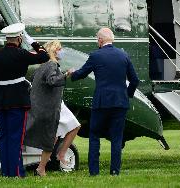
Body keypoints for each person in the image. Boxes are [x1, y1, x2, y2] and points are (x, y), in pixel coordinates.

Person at [68, 27, 139, 176]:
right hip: (120, 103)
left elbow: (81, 74)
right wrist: (127, 94)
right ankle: (114, 171)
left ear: (100, 40)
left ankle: (94, 172)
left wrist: (71, 74)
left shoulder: (96, 55)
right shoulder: (123, 55)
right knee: (116, 138)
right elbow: (135, 80)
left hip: (101, 102)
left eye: (96, 39)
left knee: (94, 136)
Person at [0, 23, 49, 177]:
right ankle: (15, 172)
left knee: (4, 138)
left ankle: (6, 172)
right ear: (19, 39)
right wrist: (33, 42)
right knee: (15, 138)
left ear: (7, 39)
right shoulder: (21, 54)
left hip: (0, 102)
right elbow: (44, 56)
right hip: (17, 102)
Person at [24, 40, 80, 176]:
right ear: (54, 51)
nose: (62, 51)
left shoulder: (42, 66)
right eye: (59, 48)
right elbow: (52, 81)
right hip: (52, 106)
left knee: (54, 136)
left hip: (48, 105)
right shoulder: (51, 65)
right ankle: (57, 156)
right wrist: (66, 75)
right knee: (73, 127)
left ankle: (43, 166)